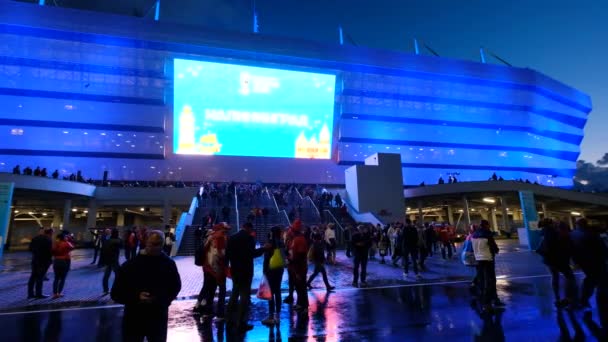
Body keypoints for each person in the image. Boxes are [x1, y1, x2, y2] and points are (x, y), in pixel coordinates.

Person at [111, 230, 182, 342]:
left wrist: (161, 299)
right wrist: (136, 297)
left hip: (157, 316)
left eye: (159, 244)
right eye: (153, 244)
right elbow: (116, 293)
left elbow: (175, 287)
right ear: (146, 243)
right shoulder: (130, 266)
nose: (157, 247)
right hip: (134, 317)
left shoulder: (168, 264)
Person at [225, 222, 269, 333]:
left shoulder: (232, 238)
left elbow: (227, 255)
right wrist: (263, 249)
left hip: (235, 271)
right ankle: (241, 323)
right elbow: (252, 254)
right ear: (249, 228)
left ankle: (229, 320)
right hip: (246, 271)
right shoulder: (249, 238)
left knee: (234, 294)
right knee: (244, 297)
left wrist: (228, 267)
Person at [570, 218, 608, 328]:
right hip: (596, 262)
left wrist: (575, 261)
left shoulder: (574, 234)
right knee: (601, 281)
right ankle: (597, 302)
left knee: (591, 278)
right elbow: (602, 249)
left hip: (583, 262)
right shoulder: (591, 234)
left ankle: (584, 299)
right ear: (586, 224)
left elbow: (572, 248)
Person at [538, 219, 577, 309]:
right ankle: (569, 298)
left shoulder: (544, 233)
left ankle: (557, 297)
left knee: (555, 276)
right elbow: (564, 246)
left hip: (549, 260)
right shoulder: (554, 233)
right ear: (550, 224)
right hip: (558, 260)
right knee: (570, 277)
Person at [199, 223, 230, 322]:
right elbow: (219, 254)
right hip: (217, 269)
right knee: (222, 291)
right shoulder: (220, 238)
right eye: (225, 230)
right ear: (220, 230)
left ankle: (208, 312)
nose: (226, 232)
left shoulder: (210, 237)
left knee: (210, 291)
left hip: (208, 268)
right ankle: (220, 314)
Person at [471, 220, 503, 313]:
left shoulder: (474, 234)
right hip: (488, 258)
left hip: (478, 259)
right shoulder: (487, 234)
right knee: (491, 280)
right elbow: (494, 247)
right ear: (486, 225)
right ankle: (491, 300)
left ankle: (483, 300)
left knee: (481, 279)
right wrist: (496, 250)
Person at [261, 226, 287, 326]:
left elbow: (267, 258)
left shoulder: (270, 243)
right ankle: (278, 315)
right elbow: (284, 256)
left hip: (270, 270)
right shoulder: (281, 242)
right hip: (279, 269)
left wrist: (264, 271)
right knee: (278, 291)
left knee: (270, 292)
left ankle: (271, 316)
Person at [287, 220, 309, 313]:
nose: (289, 232)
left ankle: (304, 306)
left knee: (301, 287)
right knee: (299, 287)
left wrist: (298, 271)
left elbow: (300, 256)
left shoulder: (299, 240)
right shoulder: (296, 239)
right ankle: (300, 304)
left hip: (299, 268)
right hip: (296, 267)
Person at [27, 228, 53, 299]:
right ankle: (39, 294)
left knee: (33, 277)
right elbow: (49, 251)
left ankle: (30, 294)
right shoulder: (48, 240)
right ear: (50, 233)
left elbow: (30, 249)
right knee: (40, 277)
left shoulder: (35, 238)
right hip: (44, 261)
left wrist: (36, 254)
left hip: (35, 260)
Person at [51, 231, 75, 299]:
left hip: (56, 261)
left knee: (56, 278)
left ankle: (55, 293)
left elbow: (52, 251)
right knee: (63, 278)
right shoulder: (66, 243)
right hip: (64, 261)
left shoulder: (56, 244)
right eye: (65, 237)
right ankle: (59, 293)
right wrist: (69, 240)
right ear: (63, 238)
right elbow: (72, 247)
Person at [102, 228, 122, 295]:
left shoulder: (108, 241)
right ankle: (117, 289)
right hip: (115, 260)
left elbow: (104, 250)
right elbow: (122, 245)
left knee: (106, 275)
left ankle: (105, 290)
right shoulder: (118, 240)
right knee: (118, 275)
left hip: (108, 260)